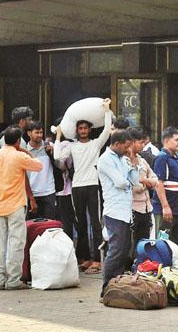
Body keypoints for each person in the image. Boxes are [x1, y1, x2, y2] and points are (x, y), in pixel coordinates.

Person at [55, 99, 112, 275]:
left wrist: (107, 110)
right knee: (80, 223)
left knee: (95, 223)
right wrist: (58, 136)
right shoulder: (72, 146)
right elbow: (58, 156)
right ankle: (85, 258)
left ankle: (97, 260)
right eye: (80, 128)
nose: (83, 131)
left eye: (86, 128)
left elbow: (107, 130)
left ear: (89, 129)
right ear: (77, 131)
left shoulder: (96, 144)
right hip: (77, 186)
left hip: (93, 185)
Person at [0, 126, 42, 290]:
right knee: (16, 244)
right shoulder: (20, 156)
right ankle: (13, 280)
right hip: (16, 206)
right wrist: (26, 152)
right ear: (18, 141)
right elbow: (38, 166)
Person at [98, 129, 138, 298]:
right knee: (115, 250)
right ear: (116, 144)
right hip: (114, 211)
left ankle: (117, 286)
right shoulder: (105, 160)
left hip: (125, 211)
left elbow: (135, 180)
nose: (128, 150)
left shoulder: (123, 159)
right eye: (126, 146)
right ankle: (106, 288)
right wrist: (128, 180)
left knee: (124, 249)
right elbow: (121, 182)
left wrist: (133, 163)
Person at [152, 127, 178, 249]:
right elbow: (159, 183)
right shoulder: (162, 157)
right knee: (164, 244)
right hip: (167, 210)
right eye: (176, 140)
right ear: (167, 141)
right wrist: (165, 206)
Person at [127, 127, 158, 256]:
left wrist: (143, 181)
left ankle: (140, 267)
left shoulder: (143, 161)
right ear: (132, 142)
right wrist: (146, 183)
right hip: (132, 208)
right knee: (129, 244)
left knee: (144, 243)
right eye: (140, 142)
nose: (143, 145)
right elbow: (134, 187)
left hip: (146, 208)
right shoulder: (124, 162)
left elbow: (155, 180)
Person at [25, 121, 57, 219]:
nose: (40, 135)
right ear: (29, 133)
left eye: (41, 132)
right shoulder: (24, 150)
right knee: (33, 228)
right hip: (32, 194)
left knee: (50, 226)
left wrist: (52, 154)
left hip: (48, 192)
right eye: (37, 133)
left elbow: (60, 166)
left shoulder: (49, 146)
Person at [52, 119, 77, 240]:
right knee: (78, 221)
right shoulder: (76, 144)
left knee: (66, 222)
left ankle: (69, 248)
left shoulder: (62, 145)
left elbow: (60, 163)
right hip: (75, 188)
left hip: (64, 190)